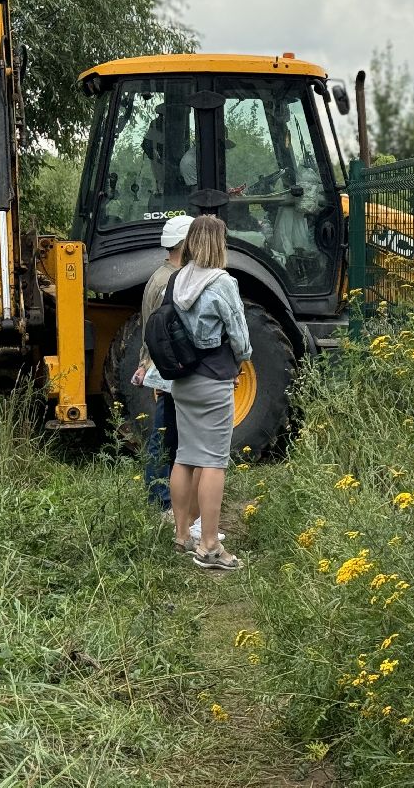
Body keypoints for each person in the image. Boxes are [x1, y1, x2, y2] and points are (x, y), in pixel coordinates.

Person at [168, 214, 251, 570]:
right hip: (213, 379)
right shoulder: (222, 283)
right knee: (214, 461)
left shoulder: (177, 279)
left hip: (182, 380)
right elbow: (241, 339)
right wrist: (241, 360)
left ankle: (182, 534)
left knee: (185, 456)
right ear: (219, 243)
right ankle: (211, 545)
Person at [132, 214, 192, 520]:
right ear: (185, 243)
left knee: (168, 433)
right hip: (169, 371)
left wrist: (145, 363)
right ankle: (161, 499)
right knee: (165, 434)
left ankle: (165, 495)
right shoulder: (172, 281)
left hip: (159, 368)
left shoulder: (159, 275)